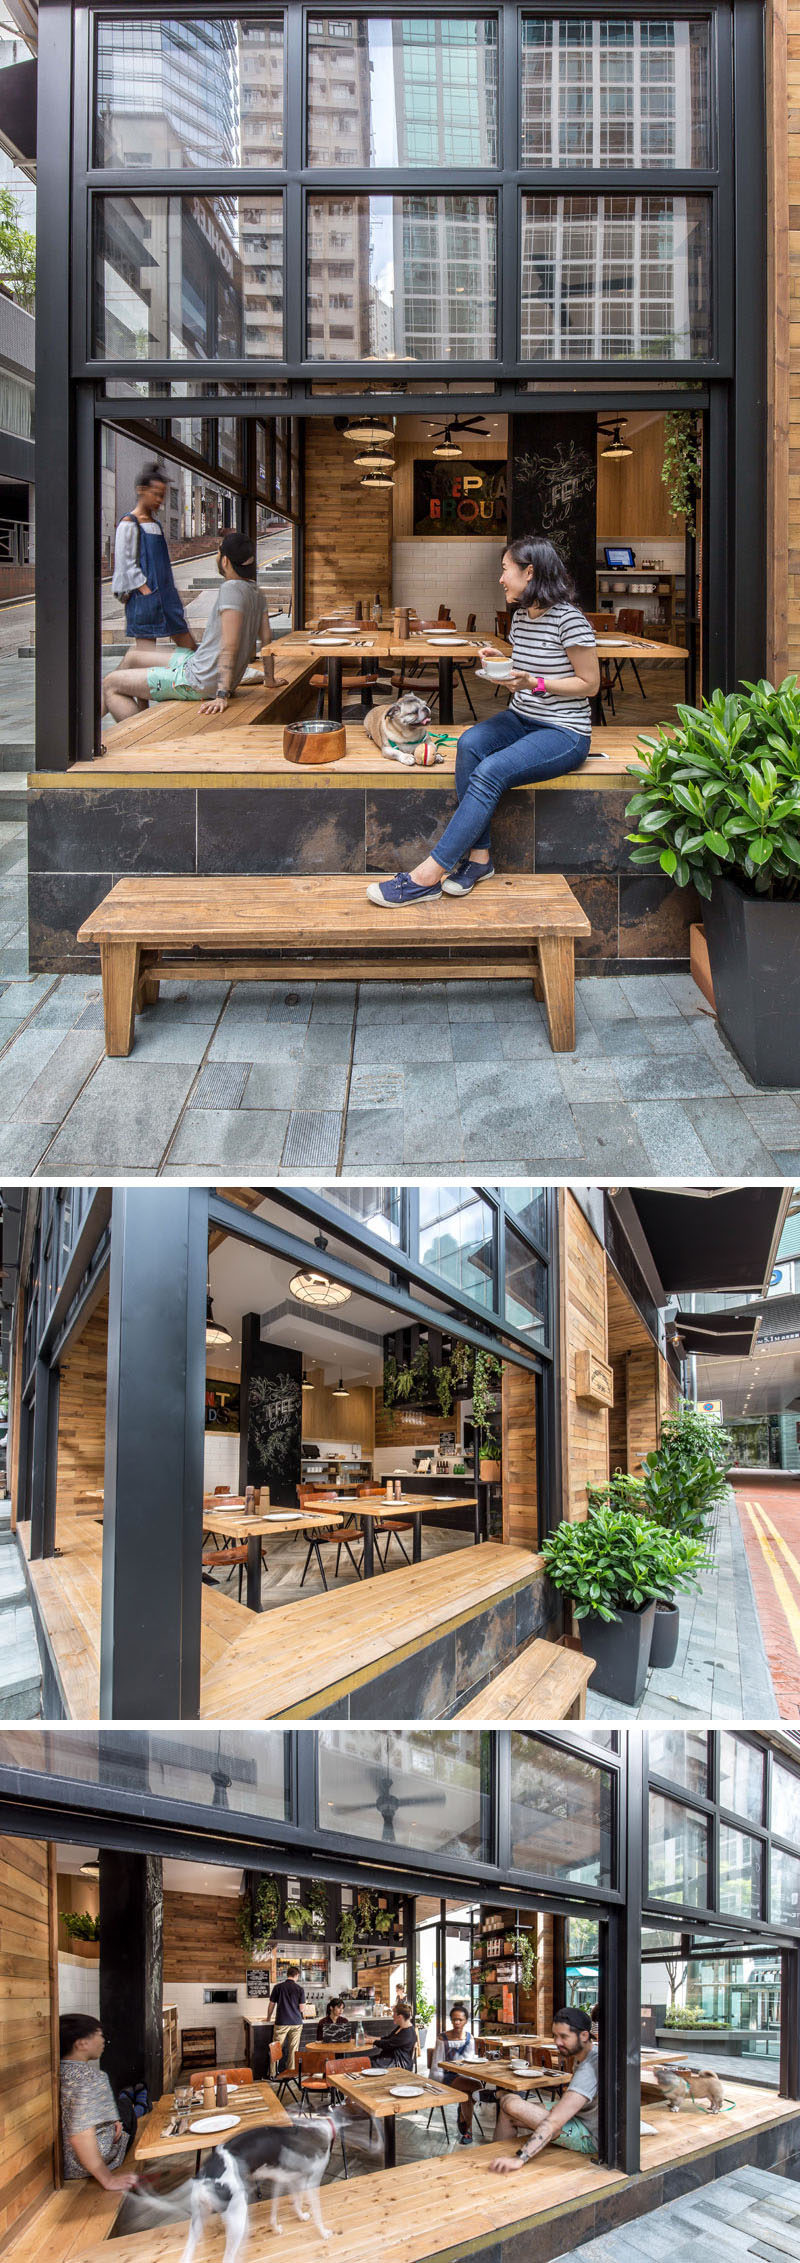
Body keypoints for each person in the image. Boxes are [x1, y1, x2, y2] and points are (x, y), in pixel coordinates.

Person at [366, 537, 599, 907]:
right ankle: (479, 859)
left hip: (564, 731)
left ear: (530, 572)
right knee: (470, 743)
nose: (501, 579)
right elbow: (526, 668)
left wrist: (532, 682)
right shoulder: (521, 618)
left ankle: (427, 876)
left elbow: (589, 684)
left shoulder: (570, 619)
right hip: (523, 717)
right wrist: (500, 662)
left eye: (506, 569)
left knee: (491, 771)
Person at [102, 530, 274, 726]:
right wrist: (269, 678)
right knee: (134, 655)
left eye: (218, 553)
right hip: (198, 664)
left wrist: (221, 694)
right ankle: (92, 723)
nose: (216, 558)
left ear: (225, 561)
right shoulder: (256, 592)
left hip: (197, 681)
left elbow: (230, 645)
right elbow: (267, 639)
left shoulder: (231, 589)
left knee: (110, 684)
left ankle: (142, 738)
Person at [489, 2007, 599, 2173]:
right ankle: (495, 2161)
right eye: (555, 2035)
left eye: (564, 2037)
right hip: (579, 2116)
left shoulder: (589, 2068)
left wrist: (520, 2158)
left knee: (512, 2104)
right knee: (508, 2105)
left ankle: (499, 2095)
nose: (557, 2042)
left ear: (584, 2035)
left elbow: (554, 2123)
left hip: (589, 2135)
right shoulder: (586, 2055)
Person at [111, 461, 195, 654]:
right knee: (146, 657)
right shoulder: (128, 523)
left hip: (167, 596)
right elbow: (125, 565)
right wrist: (146, 591)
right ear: (141, 490)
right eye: (155, 494)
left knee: (189, 646)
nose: (159, 500)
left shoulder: (156, 525)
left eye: (162, 496)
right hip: (145, 598)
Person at [59, 2014, 138, 2191]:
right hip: (93, 2160)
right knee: (126, 2109)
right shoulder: (93, 2078)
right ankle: (135, 2100)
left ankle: (129, 2101)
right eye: (99, 2035)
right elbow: (81, 2134)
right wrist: (108, 2180)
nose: (103, 2040)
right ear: (81, 2043)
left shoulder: (55, 2073)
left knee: (120, 2106)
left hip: (64, 2162)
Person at [431, 2000, 475, 2146]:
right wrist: (435, 2086)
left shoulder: (469, 2038)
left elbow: (470, 2063)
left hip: (464, 2076)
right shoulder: (442, 2038)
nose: (457, 2022)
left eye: (460, 2020)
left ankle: (465, 2124)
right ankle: (467, 2127)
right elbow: (437, 2064)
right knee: (474, 2089)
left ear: (466, 2021)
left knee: (468, 2094)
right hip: (446, 2076)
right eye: (454, 2019)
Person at [269, 1964, 306, 2077]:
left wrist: (268, 2018)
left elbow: (271, 2005)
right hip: (296, 2023)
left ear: (287, 1974)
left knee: (276, 2048)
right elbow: (302, 2008)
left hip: (281, 2022)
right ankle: (291, 2072)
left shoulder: (278, 1987)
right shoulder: (300, 1989)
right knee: (293, 2049)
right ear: (297, 1975)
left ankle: (273, 2074)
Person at [368, 2001, 417, 2072]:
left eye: (394, 2013)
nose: (392, 2016)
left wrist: (370, 2041)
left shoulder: (407, 2033)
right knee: (362, 2061)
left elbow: (388, 2044)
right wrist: (369, 2038)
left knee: (361, 2063)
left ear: (400, 2017)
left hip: (398, 2064)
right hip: (389, 2059)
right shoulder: (401, 2027)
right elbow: (388, 2038)